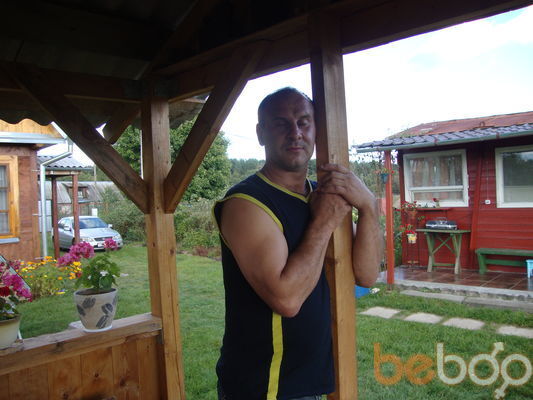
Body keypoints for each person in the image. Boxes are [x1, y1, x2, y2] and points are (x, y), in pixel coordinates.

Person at [213, 87, 382, 400]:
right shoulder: (246, 203)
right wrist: (325, 221)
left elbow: (367, 275)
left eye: (304, 122)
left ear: (315, 130)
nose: (295, 133)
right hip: (262, 385)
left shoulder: (323, 197)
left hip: (310, 380)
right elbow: (287, 300)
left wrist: (369, 207)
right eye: (281, 123)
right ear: (261, 134)